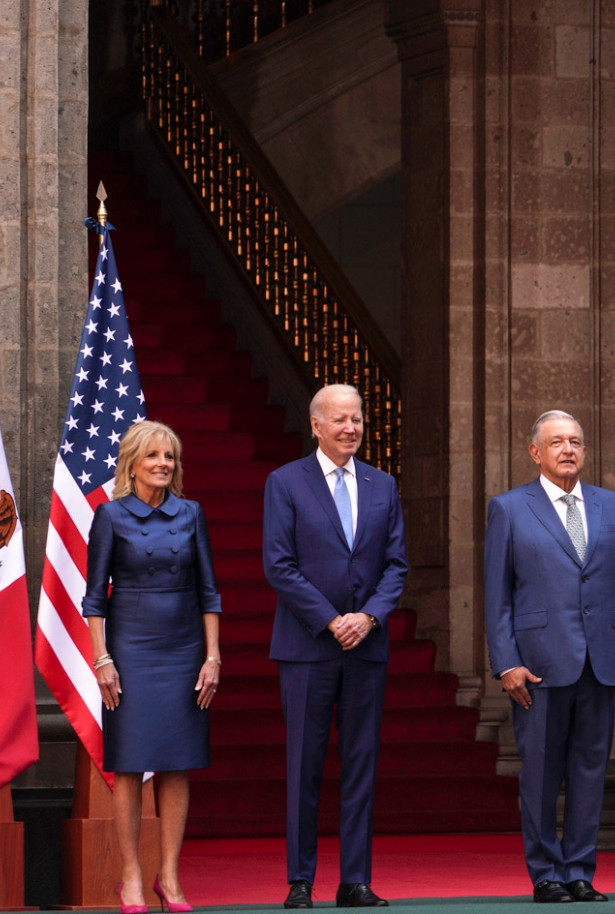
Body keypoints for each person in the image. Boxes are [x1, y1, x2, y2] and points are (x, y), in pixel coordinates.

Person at [485, 410, 615, 904]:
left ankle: (579, 870)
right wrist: (506, 662)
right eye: (557, 443)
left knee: (590, 772)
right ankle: (546, 873)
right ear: (536, 453)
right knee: (540, 774)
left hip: (601, 661)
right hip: (538, 666)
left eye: (575, 441)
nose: (568, 450)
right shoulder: (509, 509)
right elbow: (497, 596)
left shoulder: (613, 507)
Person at [263, 384, 407, 910]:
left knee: (361, 763)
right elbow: (279, 565)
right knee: (304, 764)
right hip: (307, 647)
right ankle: (301, 880)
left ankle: (355, 880)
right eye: (340, 420)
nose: (351, 428)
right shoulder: (285, 482)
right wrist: (330, 620)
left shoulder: (382, 484)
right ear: (316, 425)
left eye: (357, 419)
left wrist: (368, 617)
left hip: (366, 646)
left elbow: (396, 566)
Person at [86, 420, 222, 914]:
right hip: (130, 651)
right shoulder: (111, 516)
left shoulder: (192, 514)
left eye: (169, 457)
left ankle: (170, 876)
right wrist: (102, 658)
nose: (163, 464)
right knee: (128, 763)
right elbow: (94, 597)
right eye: (153, 457)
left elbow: (209, 591)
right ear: (132, 464)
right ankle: (132, 877)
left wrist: (212, 656)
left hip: (184, 650)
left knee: (176, 762)